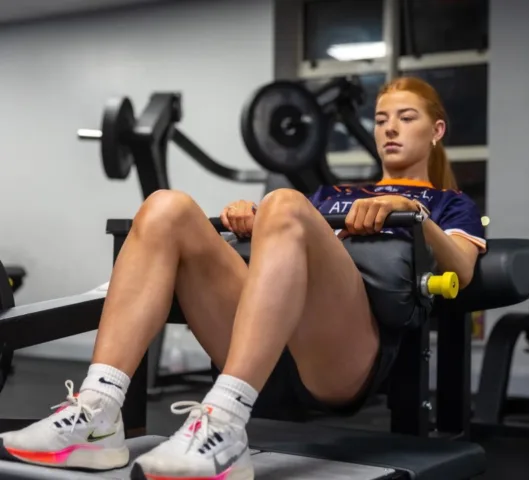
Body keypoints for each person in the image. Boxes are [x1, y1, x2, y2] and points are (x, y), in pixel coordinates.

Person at [0, 77, 486, 480]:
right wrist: (253, 219)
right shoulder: (333, 193)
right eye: (381, 120)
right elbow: (278, 237)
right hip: (265, 347)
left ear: (436, 129)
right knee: (166, 207)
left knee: (285, 202)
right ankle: (98, 411)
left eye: (406, 118)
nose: (390, 130)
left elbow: (462, 271)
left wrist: (414, 212)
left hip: (340, 355)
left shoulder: (450, 204)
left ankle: (225, 423)